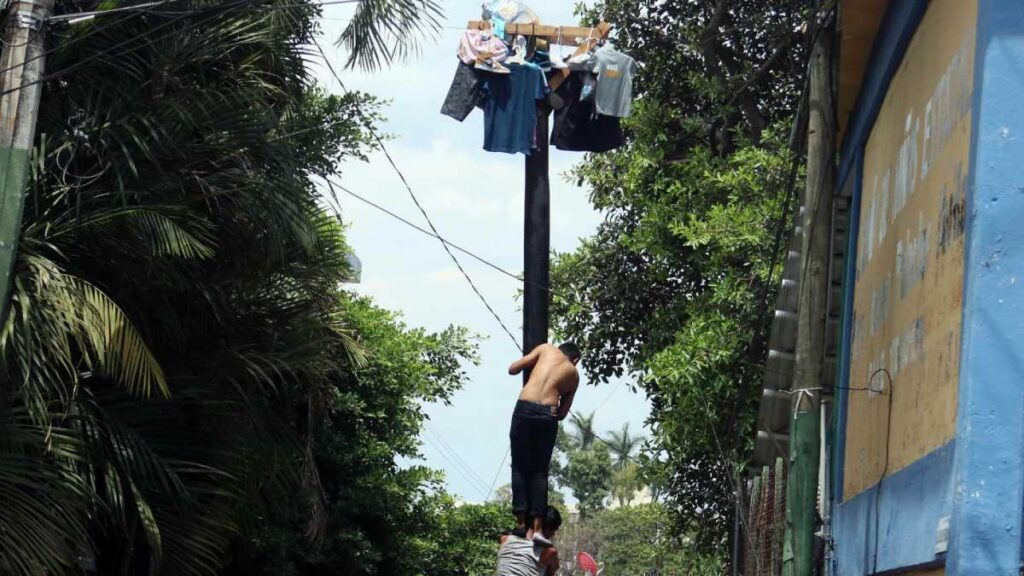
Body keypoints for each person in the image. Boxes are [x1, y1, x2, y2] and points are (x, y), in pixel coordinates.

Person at [507, 342, 581, 545]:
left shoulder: (546, 349)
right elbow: (563, 414)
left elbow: (513, 369)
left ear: (560, 349)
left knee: (520, 466)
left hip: (524, 406)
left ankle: (521, 524)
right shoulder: (573, 375)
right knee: (539, 471)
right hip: (548, 413)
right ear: (575, 359)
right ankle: (538, 528)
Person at [496, 506, 562, 576]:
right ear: (546, 527)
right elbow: (553, 569)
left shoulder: (504, 539)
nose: (553, 534)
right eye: (553, 530)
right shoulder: (549, 551)